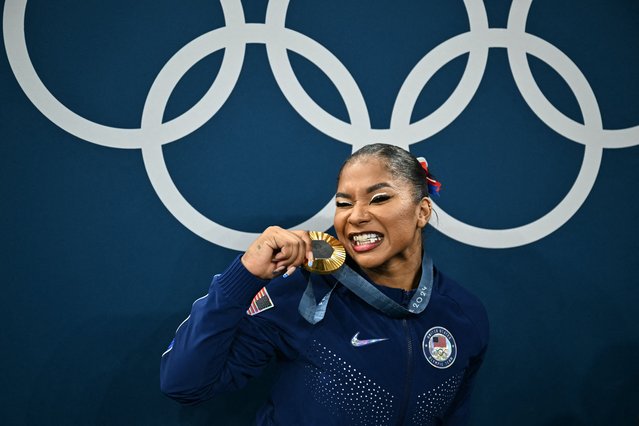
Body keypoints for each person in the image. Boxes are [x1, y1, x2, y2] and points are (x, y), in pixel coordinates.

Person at [160, 143, 489, 425]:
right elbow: (184, 384)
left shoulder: (463, 313)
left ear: (422, 211)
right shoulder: (301, 291)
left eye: (379, 199)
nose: (356, 216)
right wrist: (243, 276)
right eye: (344, 203)